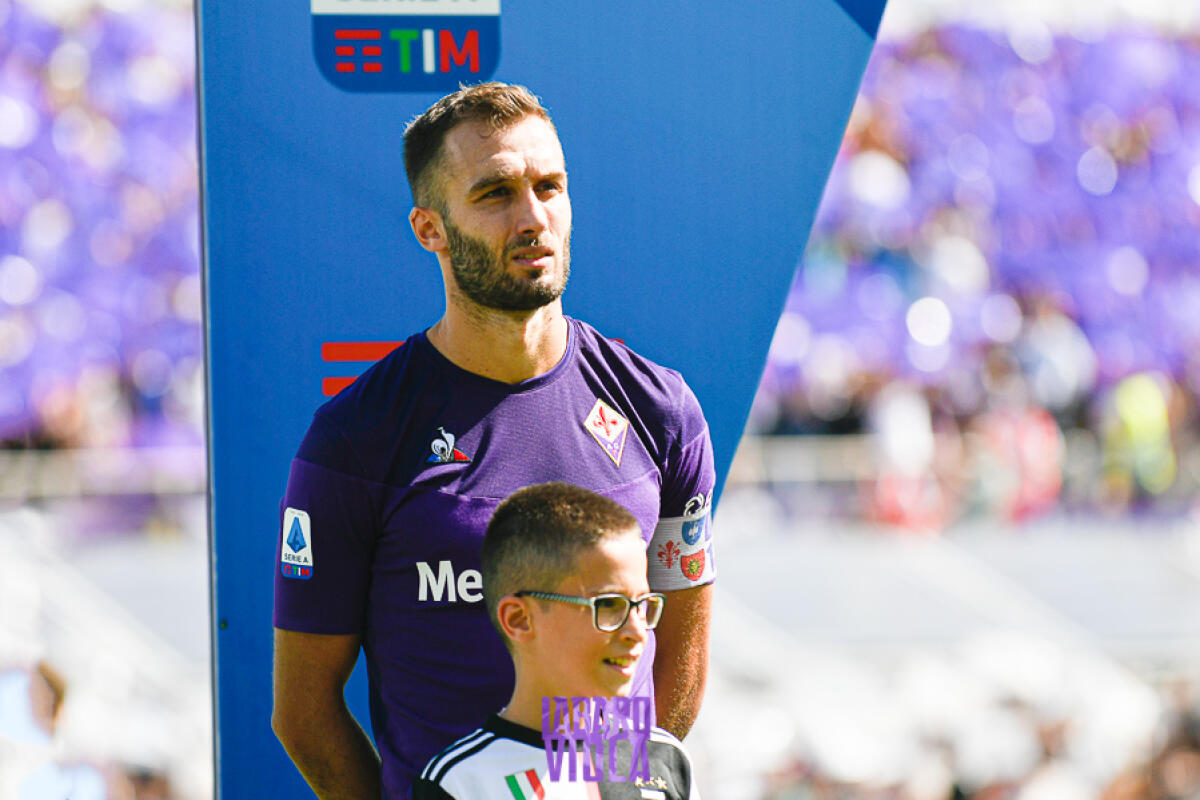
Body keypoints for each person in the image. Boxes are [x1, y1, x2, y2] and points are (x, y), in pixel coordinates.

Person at [271, 82, 716, 799]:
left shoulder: (660, 409)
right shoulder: (357, 437)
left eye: (550, 187)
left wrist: (627, 786)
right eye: (495, 194)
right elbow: (304, 713)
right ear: (430, 229)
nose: (534, 217)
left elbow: (682, 641)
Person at [413, 482, 699, 800]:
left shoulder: (665, 760)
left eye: (643, 605)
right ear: (519, 620)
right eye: (607, 605)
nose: (636, 631)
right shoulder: (461, 782)